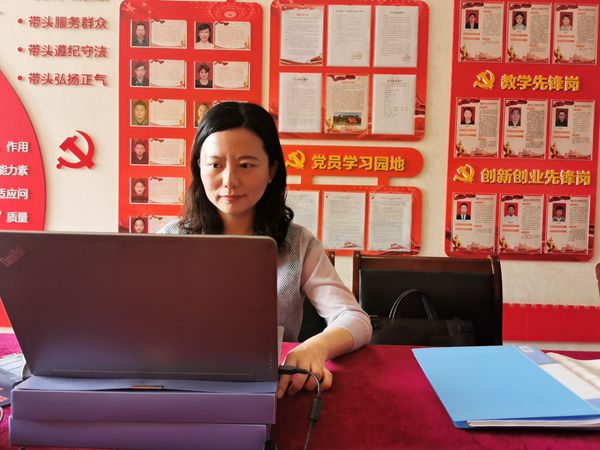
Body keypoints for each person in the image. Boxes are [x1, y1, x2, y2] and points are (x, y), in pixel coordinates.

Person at [159, 102, 372, 398]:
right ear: (199, 167)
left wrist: (314, 347)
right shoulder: (170, 240)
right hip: (181, 385)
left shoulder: (297, 244)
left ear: (271, 170)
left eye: (246, 165)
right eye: (215, 165)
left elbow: (355, 319)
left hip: (269, 388)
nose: (230, 181)